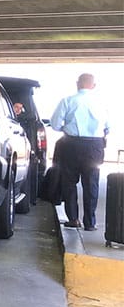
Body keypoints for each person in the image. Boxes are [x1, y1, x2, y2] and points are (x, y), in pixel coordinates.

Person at [49, 73, 111, 231]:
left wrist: (65, 128)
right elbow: (108, 127)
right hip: (94, 146)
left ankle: (74, 219)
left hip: (71, 144)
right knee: (92, 184)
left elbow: (55, 124)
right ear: (94, 85)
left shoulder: (68, 101)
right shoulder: (101, 103)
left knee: (69, 182)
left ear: (77, 84)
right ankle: (90, 223)